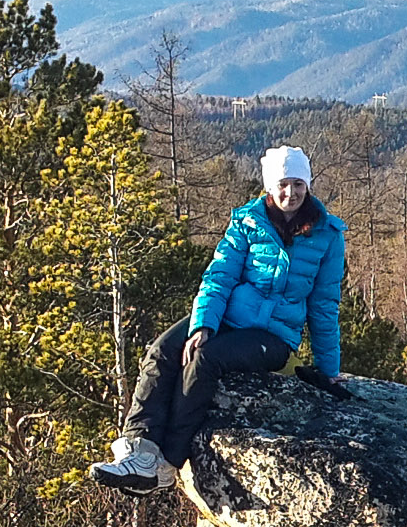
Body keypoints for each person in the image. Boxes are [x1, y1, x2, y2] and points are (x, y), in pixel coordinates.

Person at [94, 145, 345, 494]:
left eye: (298, 184)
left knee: (205, 359)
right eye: (283, 184)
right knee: (164, 349)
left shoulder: (327, 234)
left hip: (273, 335)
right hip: (228, 316)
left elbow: (324, 305)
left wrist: (329, 369)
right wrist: (203, 324)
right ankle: (140, 451)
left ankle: (166, 465)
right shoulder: (247, 222)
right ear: (270, 186)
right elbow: (219, 277)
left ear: (308, 185)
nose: (291, 193)